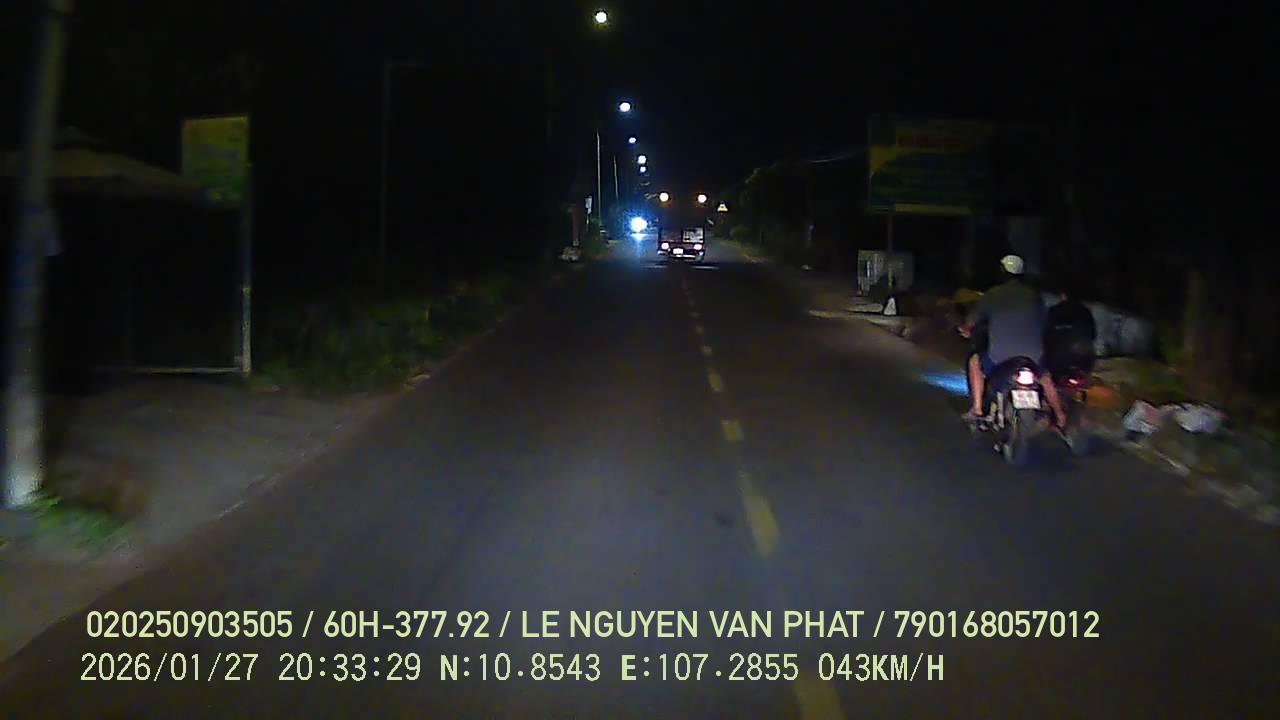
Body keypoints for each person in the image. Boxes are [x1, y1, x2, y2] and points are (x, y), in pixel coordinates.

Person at [959, 254, 1067, 430]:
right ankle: (1060, 416)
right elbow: (1044, 322)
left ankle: (977, 409)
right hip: (1033, 357)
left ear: (1002, 272)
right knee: (1045, 377)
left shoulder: (993, 294)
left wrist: (965, 329)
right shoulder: (1034, 296)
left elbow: (971, 321)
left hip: (1000, 356)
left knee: (975, 362)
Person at [1044, 284, 1097, 377]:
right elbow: (1093, 335)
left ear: (1063, 295)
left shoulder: (1053, 311)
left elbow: (1046, 336)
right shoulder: (1085, 311)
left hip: (1059, 360)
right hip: (1083, 360)